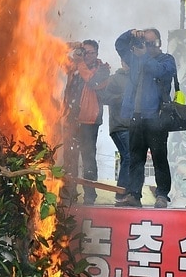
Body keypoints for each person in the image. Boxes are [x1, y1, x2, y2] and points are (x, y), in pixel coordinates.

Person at [115, 28, 177, 208]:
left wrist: (143, 56)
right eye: (146, 43)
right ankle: (134, 194)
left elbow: (159, 71)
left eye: (152, 43)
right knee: (136, 159)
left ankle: (162, 195)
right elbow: (119, 45)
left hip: (157, 118)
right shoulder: (135, 59)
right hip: (136, 117)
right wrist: (131, 34)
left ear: (159, 43)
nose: (149, 46)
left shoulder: (167, 60)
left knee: (159, 158)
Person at [62, 40, 110, 205]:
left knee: (88, 158)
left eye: (91, 52)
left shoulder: (103, 70)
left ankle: (90, 195)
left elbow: (92, 81)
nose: (87, 55)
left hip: (89, 121)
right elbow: (56, 56)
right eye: (84, 52)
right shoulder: (75, 66)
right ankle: (69, 193)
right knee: (70, 157)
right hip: (71, 119)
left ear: (96, 54)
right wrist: (70, 47)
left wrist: (80, 62)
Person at [103, 59, 131, 203]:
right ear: (122, 62)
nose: (128, 63)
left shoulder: (138, 77)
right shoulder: (115, 79)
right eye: (126, 60)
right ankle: (121, 192)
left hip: (134, 126)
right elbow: (105, 97)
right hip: (120, 126)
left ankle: (128, 193)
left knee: (130, 157)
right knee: (129, 156)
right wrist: (123, 97)